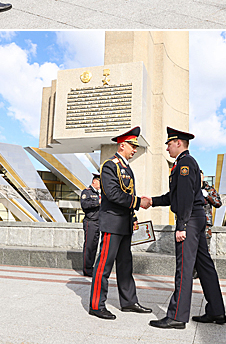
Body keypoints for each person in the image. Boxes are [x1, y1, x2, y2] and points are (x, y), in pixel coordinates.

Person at [148, 128, 226, 329]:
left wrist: (181, 225)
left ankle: (177, 316)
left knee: (184, 268)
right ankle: (217, 311)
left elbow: (183, 199)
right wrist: (152, 201)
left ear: (179, 143)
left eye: (169, 144)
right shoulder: (185, 163)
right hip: (197, 217)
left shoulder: (184, 164)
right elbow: (174, 196)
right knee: (205, 266)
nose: (167, 147)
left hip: (189, 219)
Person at [89, 126, 152, 319]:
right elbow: (114, 194)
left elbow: (128, 193)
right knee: (104, 265)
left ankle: (129, 302)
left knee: (125, 265)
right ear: (122, 145)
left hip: (124, 224)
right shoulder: (110, 165)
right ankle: (96, 305)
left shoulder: (126, 167)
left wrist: (133, 217)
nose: (134, 149)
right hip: (112, 224)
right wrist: (138, 202)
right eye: (132, 146)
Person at [81, 174, 101, 277]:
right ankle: (87, 269)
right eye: (99, 181)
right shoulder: (87, 192)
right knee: (89, 246)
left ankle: (91, 268)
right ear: (94, 181)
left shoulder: (99, 193)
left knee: (94, 247)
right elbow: (85, 205)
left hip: (98, 222)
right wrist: (98, 202)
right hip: (90, 222)